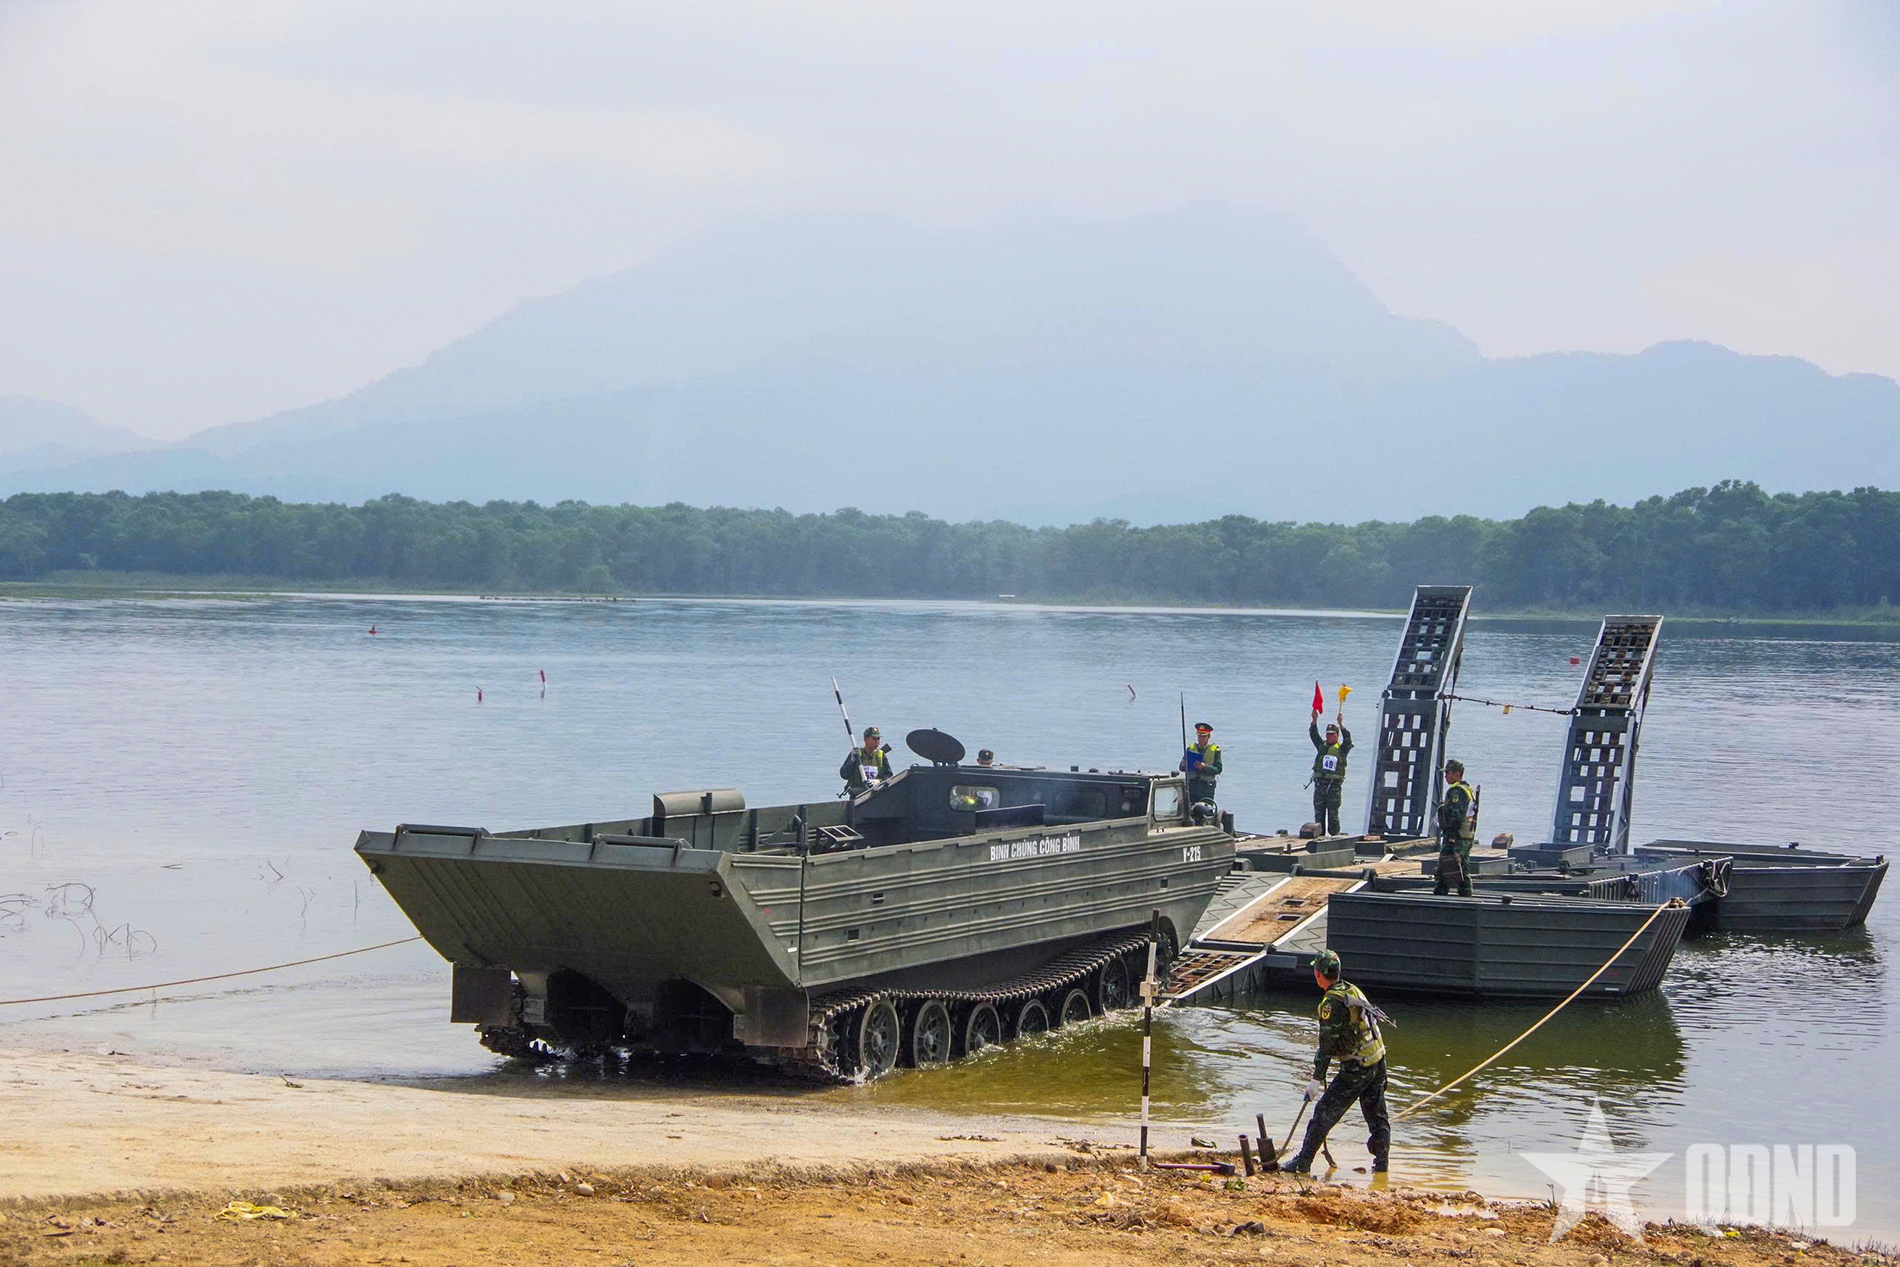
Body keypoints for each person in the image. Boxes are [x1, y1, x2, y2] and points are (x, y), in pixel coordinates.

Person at [1281, 948, 1392, 1175]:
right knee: (1377, 1116)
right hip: (1377, 1061)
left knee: (1323, 1112)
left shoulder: (1331, 1004)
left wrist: (1315, 1080)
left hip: (1357, 1067)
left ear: (1318, 975)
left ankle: (1302, 1163)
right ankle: (1382, 1169)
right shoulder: (1352, 989)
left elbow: (1327, 1047)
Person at [1433, 759, 1477, 897]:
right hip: (1466, 836)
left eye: (1448, 772)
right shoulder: (1468, 789)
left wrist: (1451, 838)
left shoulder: (1457, 791)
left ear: (1457, 774)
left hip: (1456, 837)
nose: (1445, 776)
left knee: (1444, 868)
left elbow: (1456, 816)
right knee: (1463, 868)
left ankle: (1439, 898)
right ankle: (1466, 894)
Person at [1308, 708, 1353, 836]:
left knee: (1333, 813)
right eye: (1327, 734)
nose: (1328, 736)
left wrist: (1341, 724)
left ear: (1337, 735)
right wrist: (1314, 720)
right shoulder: (1322, 747)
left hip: (1333, 786)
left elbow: (1348, 740)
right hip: (1319, 784)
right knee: (1319, 813)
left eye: (1331, 734)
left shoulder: (1342, 749)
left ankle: (1334, 836)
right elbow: (1314, 736)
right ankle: (1319, 836)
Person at [839, 726, 892, 796]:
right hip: (857, 796)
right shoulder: (857, 754)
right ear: (865, 739)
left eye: (878, 739)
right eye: (873, 739)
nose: (877, 742)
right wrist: (852, 760)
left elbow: (889, 776)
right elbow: (844, 775)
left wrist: (878, 781)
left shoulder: (881, 755)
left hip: (876, 795)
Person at [1178, 722, 1222, 806]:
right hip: (1191, 786)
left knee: (1205, 810)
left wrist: (1205, 767)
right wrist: (1184, 765)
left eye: (1203, 736)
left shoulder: (1215, 750)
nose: (1201, 738)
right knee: (1189, 809)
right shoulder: (1190, 749)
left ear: (1209, 736)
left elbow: (1218, 769)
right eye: (1199, 736)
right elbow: (1181, 767)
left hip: (1206, 788)